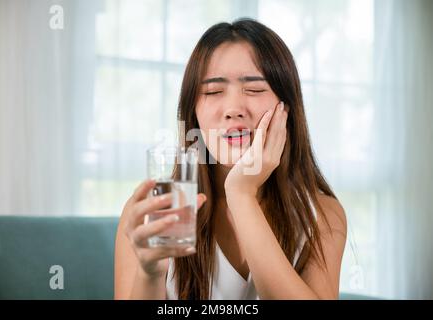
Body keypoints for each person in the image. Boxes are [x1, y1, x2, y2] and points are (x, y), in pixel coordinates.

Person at [114, 18, 347, 300]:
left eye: (255, 89)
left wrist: (241, 193)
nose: (233, 109)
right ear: (193, 114)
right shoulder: (154, 210)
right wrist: (149, 273)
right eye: (213, 91)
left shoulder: (320, 214)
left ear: (287, 108)